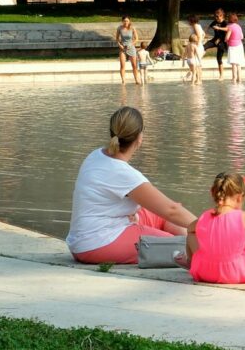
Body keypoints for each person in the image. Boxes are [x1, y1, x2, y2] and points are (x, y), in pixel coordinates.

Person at [66, 106, 196, 264]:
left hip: (83, 240)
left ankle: (197, 237)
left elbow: (169, 209)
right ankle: (207, 241)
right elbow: (171, 211)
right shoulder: (122, 172)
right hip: (98, 244)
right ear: (140, 137)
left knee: (160, 214)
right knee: (182, 249)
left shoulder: (96, 155)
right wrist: (209, 226)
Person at [204, 8, 229, 79]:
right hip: (215, 40)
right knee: (204, 47)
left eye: (218, 16)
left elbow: (227, 29)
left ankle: (221, 75)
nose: (216, 18)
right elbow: (208, 27)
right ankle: (198, 61)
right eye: (215, 16)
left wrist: (218, 28)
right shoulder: (214, 22)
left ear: (222, 16)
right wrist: (204, 33)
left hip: (222, 42)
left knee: (219, 58)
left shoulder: (225, 22)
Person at [115, 16, 141, 85]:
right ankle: (123, 80)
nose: (126, 22)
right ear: (122, 21)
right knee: (122, 65)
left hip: (131, 48)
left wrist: (132, 44)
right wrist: (120, 45)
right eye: (124, 21)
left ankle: (137, 79)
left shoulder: (132, 28)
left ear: (129, 21)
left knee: (134, 65)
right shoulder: (119, 28)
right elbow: (117, 39)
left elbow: (136, 38)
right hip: (123, 48)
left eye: (127, 21)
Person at [226, 12, 245, 83]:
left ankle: (234, 78)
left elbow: (227, 37)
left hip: (232, 46)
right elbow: (242, 36)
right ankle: (239, 79)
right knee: (238, 64)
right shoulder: (238, 26)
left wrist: (226, 40)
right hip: (240, 46)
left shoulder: (229, 27)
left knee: (233, 63)